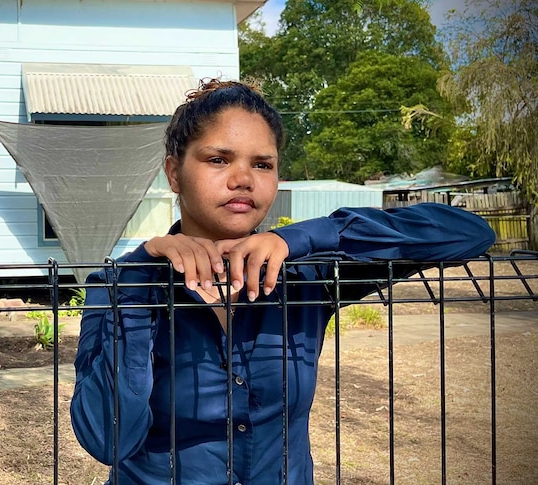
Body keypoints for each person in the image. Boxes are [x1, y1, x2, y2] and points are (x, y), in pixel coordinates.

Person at [69, 79, 496, 484]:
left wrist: (300, 237)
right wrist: (142, 278)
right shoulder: (119, 283)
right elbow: (108, 439)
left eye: (262, 164)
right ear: (174, 172)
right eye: (218, 159)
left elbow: (468, 233)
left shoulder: (304, 276)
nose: (243, 178)